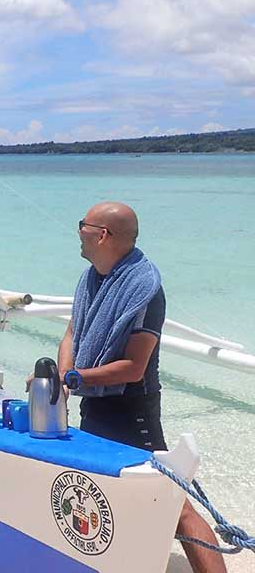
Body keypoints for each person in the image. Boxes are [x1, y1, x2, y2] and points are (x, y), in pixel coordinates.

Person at [58, 202, 226, 573]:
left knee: (175, 505)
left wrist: (77, 378)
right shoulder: (93, 277)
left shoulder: (144, 289)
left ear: (103, 235)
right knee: (103, 492)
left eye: (82, 225)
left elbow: (134, 368)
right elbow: (73, 331)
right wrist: (63, 375)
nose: (78, 232)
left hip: (133, 409)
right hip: (96, 406)